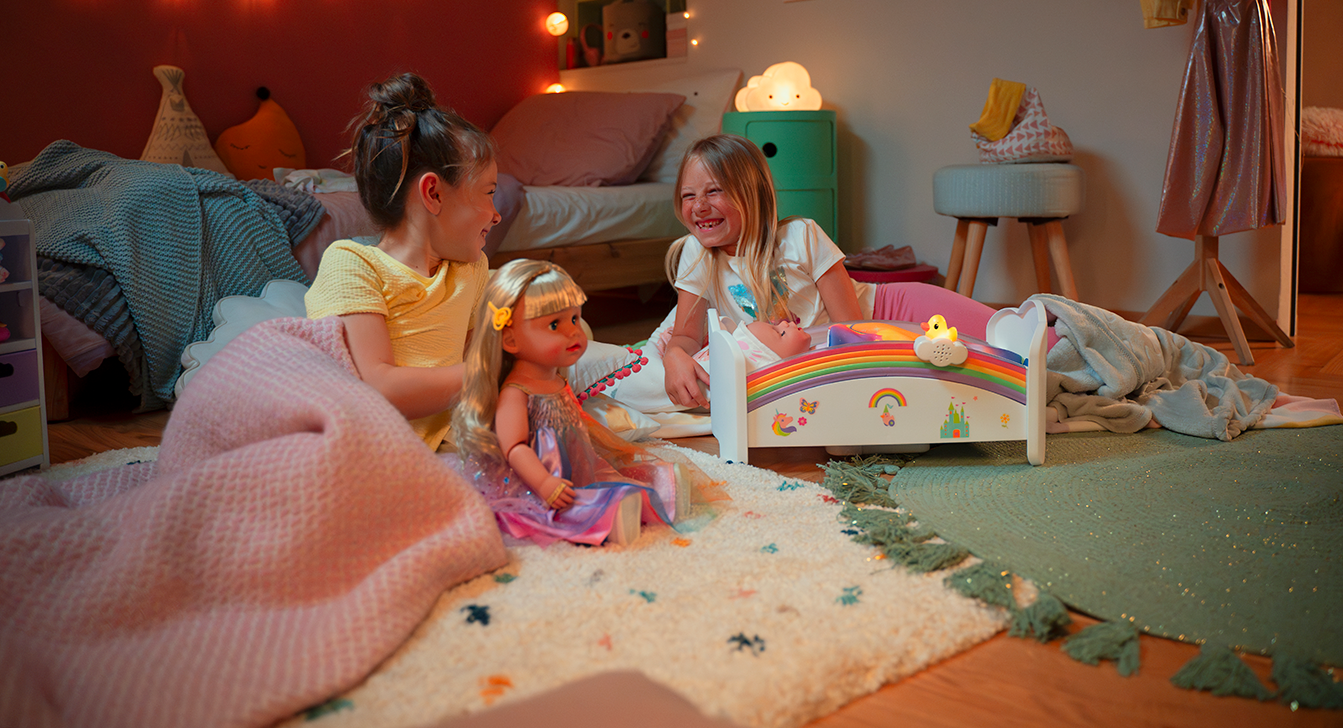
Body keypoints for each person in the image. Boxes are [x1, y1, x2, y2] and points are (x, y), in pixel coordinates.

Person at [609, 133, 1060, 415]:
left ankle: (1084, 338)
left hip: (890, 308)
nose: (698, 206)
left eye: (713, 191)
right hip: (823, 348)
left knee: (1018, 337)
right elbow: (686, 337)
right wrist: (673, 357)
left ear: (752, 194)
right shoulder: (698, 255)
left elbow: (852, 327)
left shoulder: (801, 236)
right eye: (688, 195)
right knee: (988, 362)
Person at [305, 73, 500, 451]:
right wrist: (494, 370)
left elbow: (479, 364)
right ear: (433, 194)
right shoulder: (352, 264)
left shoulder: (470, 269)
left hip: (448, 445)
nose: (497, 214)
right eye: (489, 193)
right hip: (367, 448)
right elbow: (380, 388)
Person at [452, 260, 688, 546]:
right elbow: (514, 448)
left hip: (576, 463)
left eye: (575, 319)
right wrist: (543, 483)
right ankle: (612, 517)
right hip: (539, 477)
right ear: (510, 339)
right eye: (555, 324)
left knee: (617, 478)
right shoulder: (515, 392)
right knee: (565, 507)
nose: (574, 332)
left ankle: (661, 490)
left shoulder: (558, 381)